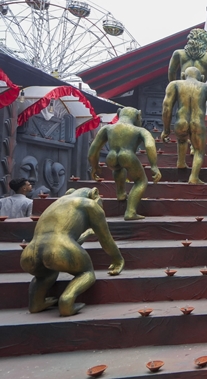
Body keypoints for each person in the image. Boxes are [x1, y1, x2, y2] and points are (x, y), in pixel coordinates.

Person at [20, 187, 123, 316]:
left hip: (30, 253)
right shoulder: (89, 204)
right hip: (58, 247)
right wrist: (118, 259)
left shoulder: (57, 203)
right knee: (86, 273)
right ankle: (66, 301)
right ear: (94, 194)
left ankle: (35, 303)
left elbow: (60, 240)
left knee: (45, 274)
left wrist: (84, 236)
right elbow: (105, 239)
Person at [88, 107, 162, 220]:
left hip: (111, 157)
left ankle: (120, 193)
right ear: (138, 116)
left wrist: (94, 167)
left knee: (118, 168)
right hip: (128, 156)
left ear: (118, 114)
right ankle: (130, 212)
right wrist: (154, 166)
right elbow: (150, 145)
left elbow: (93, 150)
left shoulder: (107, 128)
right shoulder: (140, 130)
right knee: (141, 181)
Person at [161, 66, 207, 184]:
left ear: (183, 75)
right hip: (197, 122)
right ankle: (194, 177)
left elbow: (166, 108)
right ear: (202, 78)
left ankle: (181, 162)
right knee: (199, 150)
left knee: (182, 140)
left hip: (180, 121)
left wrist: (166, 130)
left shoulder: (174, 84)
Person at [167, 28, 207, 97]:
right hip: (200, 87)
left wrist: (173, 85)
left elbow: (171, 71)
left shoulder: (178, 53)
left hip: (184, 86)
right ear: (205, 42)